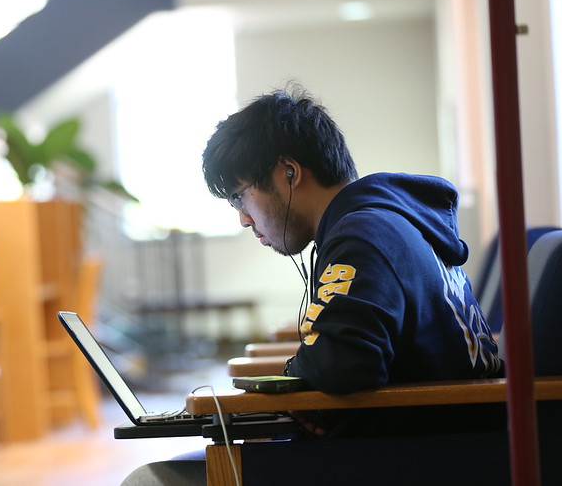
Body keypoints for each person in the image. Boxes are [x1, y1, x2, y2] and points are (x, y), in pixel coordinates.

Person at [122, 86, 503, 485]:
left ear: (289, 172)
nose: (243, 219)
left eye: (240, 197)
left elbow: (341, 366)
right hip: (442, 444)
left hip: (418, 458)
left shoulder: (364, 234)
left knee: (152, 479)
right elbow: (340, 357)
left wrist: (300, 376)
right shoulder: (387, 222)